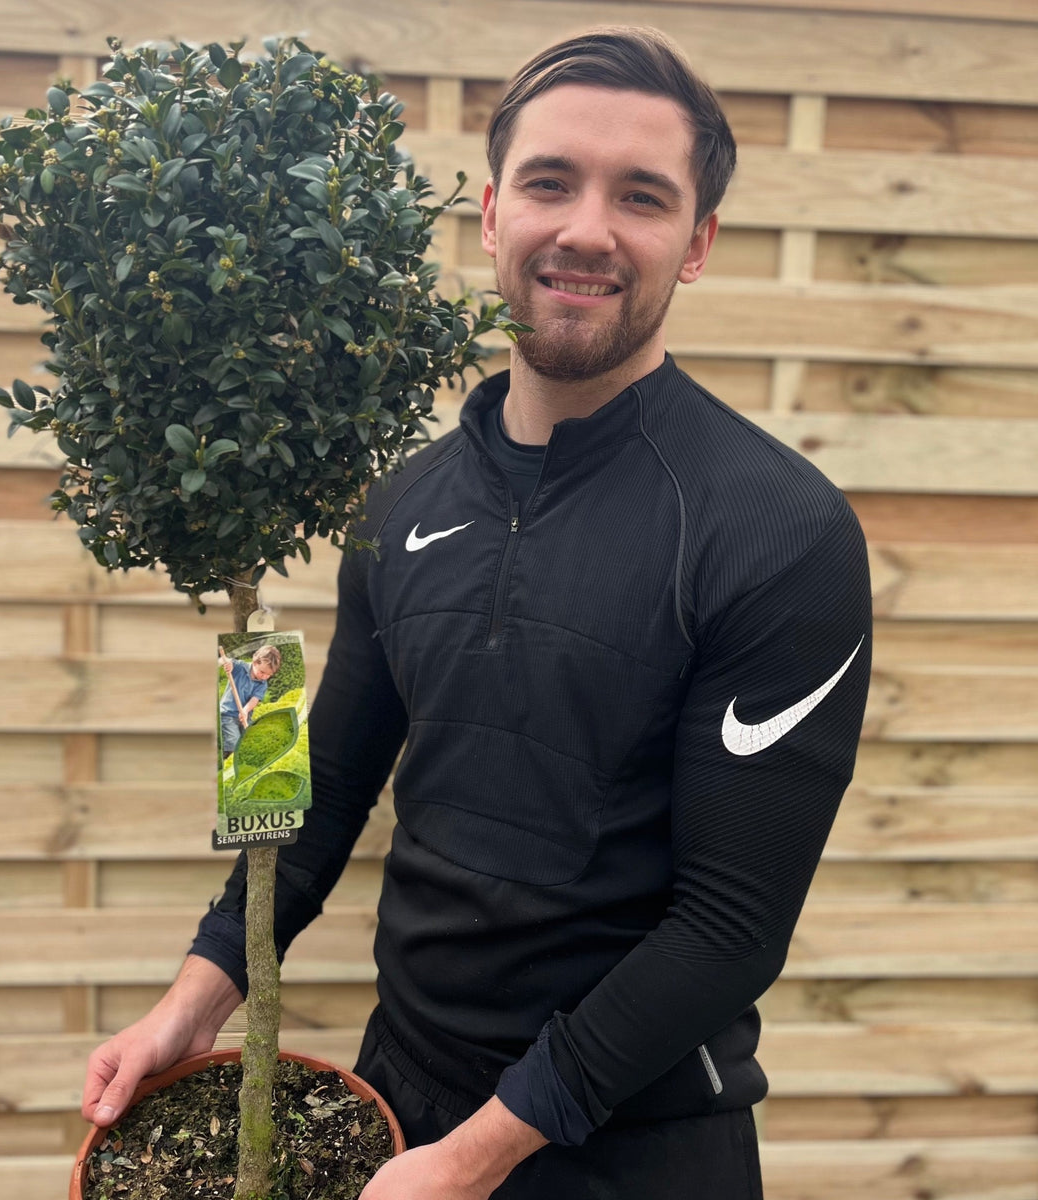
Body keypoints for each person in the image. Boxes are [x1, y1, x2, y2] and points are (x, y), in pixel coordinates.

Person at [83, 25, 872, 1199]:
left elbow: (730, 929)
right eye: (551, 182)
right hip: (395, 1104)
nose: (587, 229)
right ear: (493, 210)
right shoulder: (399, 503)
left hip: (632, 1142)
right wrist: (191, 1000)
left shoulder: (778, 532)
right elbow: (321, 784)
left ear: (696, 242)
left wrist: (481, 1156)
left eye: (642, 197)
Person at [219, 644, 283, 760]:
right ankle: (229, 762)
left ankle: (245, 761)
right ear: (255, 662)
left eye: (269, 675)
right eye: (262, 672)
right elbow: (226, 661)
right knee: (234, 742)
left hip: (245, 715)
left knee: (247, 740)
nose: (264, 677)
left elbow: (255, 700)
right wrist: (228, 665)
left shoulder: (262, 684)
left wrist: (245, 710)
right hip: (228, 714)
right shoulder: (240, 667)